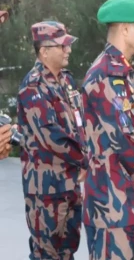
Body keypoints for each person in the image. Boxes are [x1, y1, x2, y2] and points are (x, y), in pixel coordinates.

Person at [82, 0, 134, 260]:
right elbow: (123, 140)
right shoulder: (105, 74)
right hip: (111, 206)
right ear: (126, 29)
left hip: (125, 202)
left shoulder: (122, 73)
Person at [16, 20, 87, 260]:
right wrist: (87, 159)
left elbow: (80, 122)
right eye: (61, 45)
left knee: (67, 251)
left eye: (68, 44)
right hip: (46, 190)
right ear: (44, 51)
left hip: (70, 185)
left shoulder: (66, 81)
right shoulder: (33, 87)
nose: (67, 49)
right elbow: (51, 135)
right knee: (46, 254)